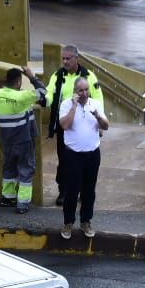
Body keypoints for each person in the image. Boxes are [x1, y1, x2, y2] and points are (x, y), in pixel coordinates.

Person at [45, 45, 103, 206]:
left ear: (77, 58)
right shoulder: (58, 75)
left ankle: (85, 192)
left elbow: (98, 99)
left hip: (85, 124)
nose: (65, 61)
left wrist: (99, 123)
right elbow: (50, 93)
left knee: (86, 160)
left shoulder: (89, 76)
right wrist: (44, 100)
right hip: (65, 124)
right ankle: (64, 191)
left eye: (68, 58)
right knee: (65, 160)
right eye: (63, 58)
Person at [0, 66, 47, 214]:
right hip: (24, 141)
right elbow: (43, 91)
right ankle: (22, 203)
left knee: (9, 168)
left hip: (7, 140)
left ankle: (7, 198)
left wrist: (6, 127)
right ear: (19, 82)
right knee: (26, 170)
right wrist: (32, 77)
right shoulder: (23, 96)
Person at [57, 75, 107, 241]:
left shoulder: (96, 104)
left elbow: (106, 126)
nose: (84, 93)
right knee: (71, 190)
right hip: (73, 155)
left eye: (86, 90)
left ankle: (86, 221)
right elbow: (65, 125)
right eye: (81, 90)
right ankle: (68, 222)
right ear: (75, 91)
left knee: (89, 191)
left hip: (92, 155)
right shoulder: (66, 105)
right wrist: (74, 106)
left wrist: (98, 116)